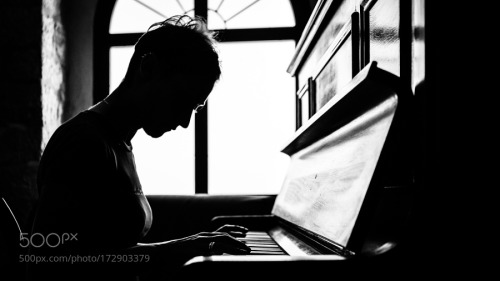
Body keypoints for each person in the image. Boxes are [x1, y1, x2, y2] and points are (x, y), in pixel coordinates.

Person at [26, 15, 250, 281]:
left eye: (195, 108)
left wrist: (193, 242)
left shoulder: (115, 141)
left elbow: (108, 248)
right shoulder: (83, 142)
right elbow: (50, 258)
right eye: (182, 100)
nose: (185, 122)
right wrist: (184, 248)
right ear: (148, 67)